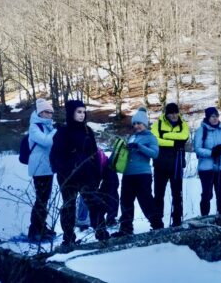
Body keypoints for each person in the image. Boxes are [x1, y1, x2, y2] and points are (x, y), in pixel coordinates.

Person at [50, 100, 109, 246]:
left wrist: (96, 173)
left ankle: (101, 233)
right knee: (69, 206)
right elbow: (55, 156)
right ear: (71, 113)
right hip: (68, 177)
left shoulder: (88, 130)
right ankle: (69, 238)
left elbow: (94, 153)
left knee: (94, 203)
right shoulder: (63, 132)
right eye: (79, 112)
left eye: (84, 112)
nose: (82, 115)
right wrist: (67, 170)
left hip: (87, 176)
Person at [112, 107, 164, 237]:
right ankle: (126, 229)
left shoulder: (151, 138)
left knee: (146, 201)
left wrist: (139, 147)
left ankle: (157, 225)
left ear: (145, 124)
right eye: (134, 123)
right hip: (128, 174)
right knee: (125, 201)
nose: (136, 126)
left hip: (142, 175)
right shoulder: (132, 137)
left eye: (139, 123)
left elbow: (155, 154)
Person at [151, 102, 189, 227]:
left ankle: (177, 220)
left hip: (177, 165)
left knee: (177, 194)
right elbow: (155, 140)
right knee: (158, 194)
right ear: (166, 114)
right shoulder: (158, 124)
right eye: (171, 113)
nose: (174, 115)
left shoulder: (183, 124)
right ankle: (157, 222)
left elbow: (184, 136)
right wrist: (174, 143)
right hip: (160, 165)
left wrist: (165, 136)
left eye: (175, 112)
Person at [26, 99, 57, 241]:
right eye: (46, 112)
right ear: (40, 112)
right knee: (41, 199)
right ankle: (34, 230)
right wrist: (56, 132)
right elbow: (46, 142)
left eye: (51, 112)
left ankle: (41, 226)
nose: (49, 115)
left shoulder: (48, 127)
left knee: (45, 199)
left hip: (47, 167)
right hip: (39, 168)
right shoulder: (34, 127)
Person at [194, 107, 221, 216]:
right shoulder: (202, 130)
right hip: (206, 167)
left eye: (216, 116)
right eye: (212, 116)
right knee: (207, 193)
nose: (215, 118)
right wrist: (211, 153)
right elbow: (197, 148)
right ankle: (205, 217)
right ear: (208, 117)